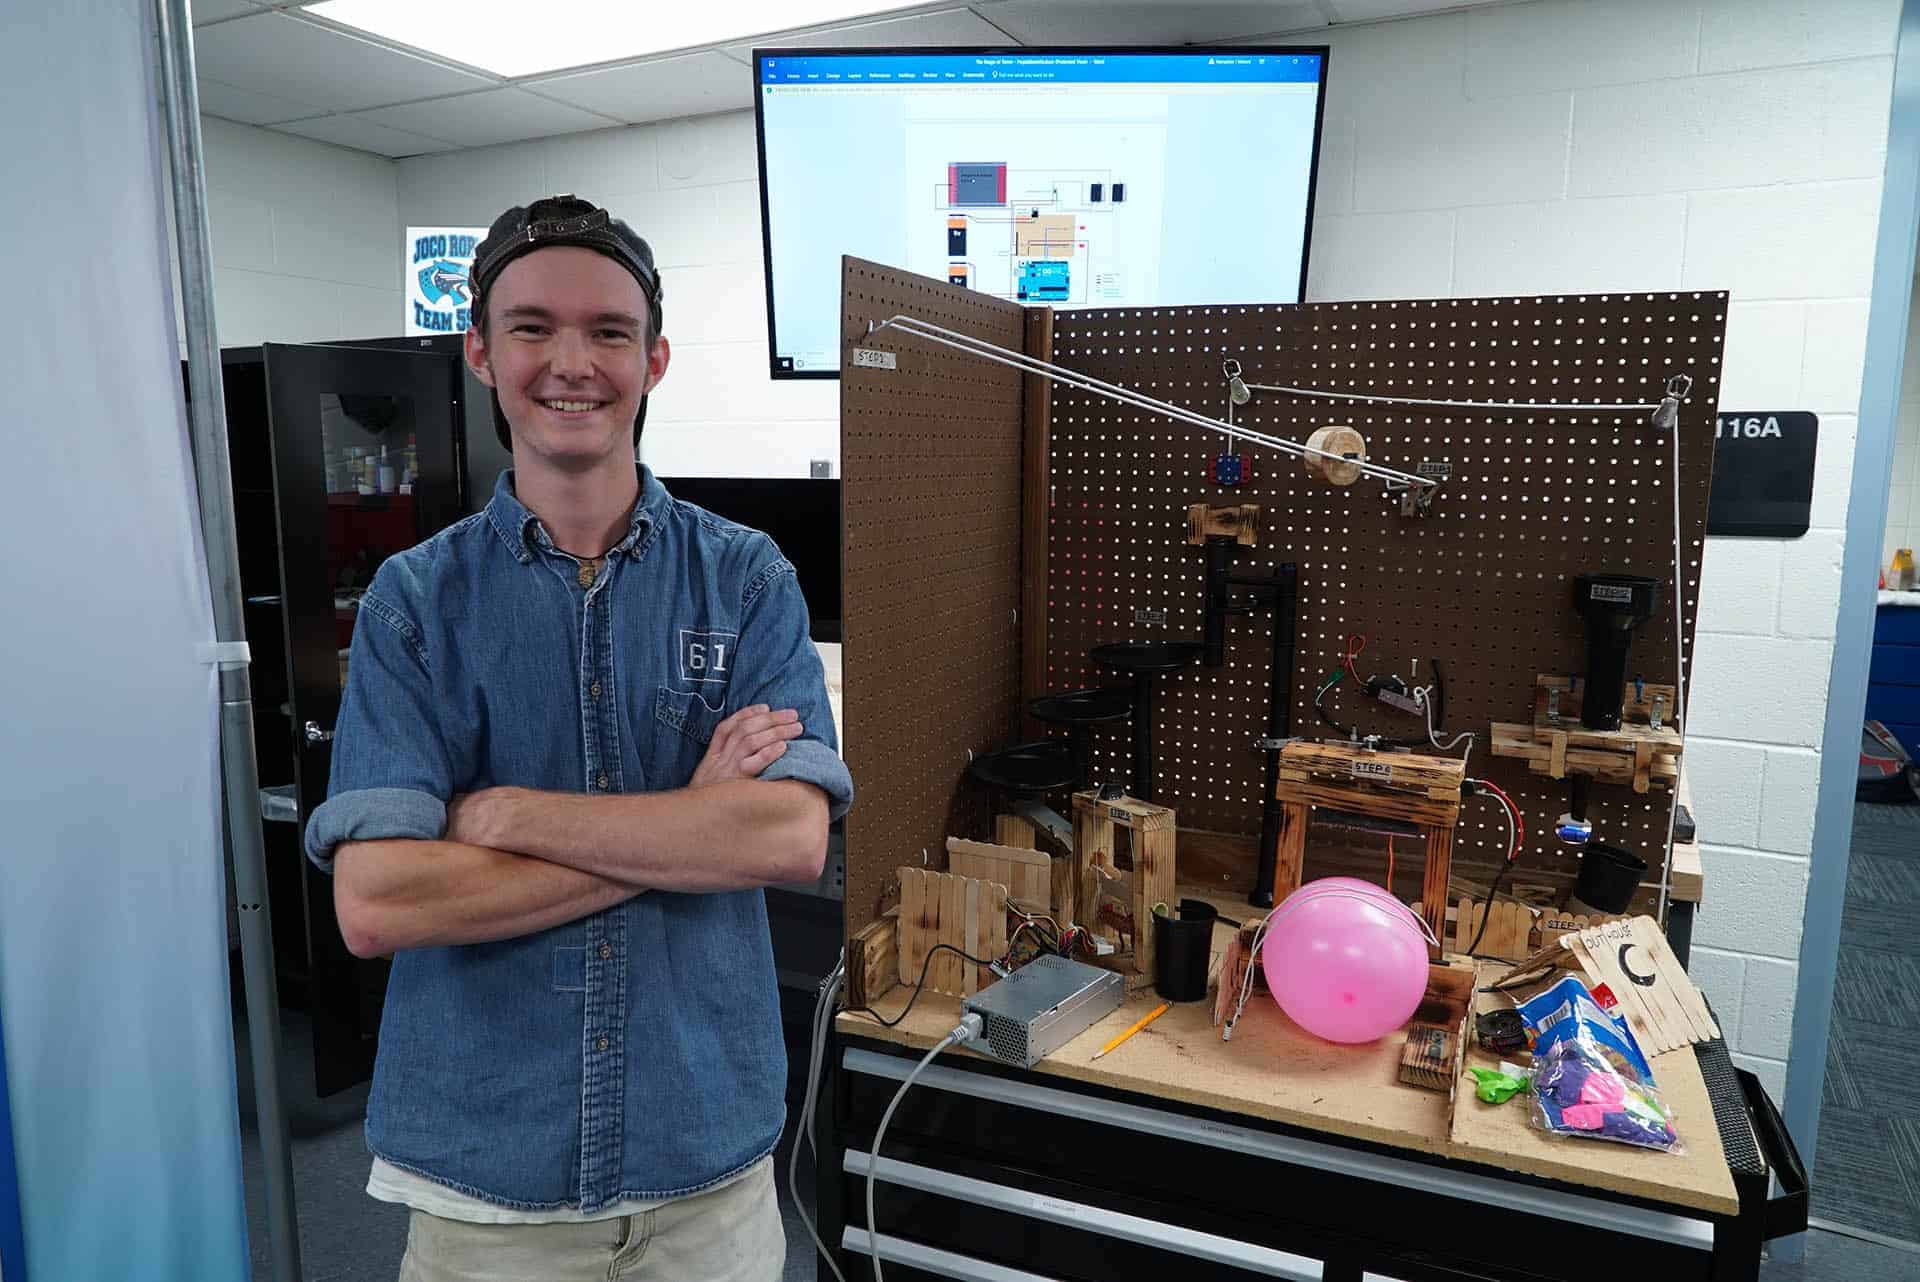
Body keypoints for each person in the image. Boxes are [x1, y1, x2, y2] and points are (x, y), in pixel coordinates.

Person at [303, 194, 852, 1282]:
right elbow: (377, 904)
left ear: (652, 360)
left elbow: (789, 840)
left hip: (707, 1176)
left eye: (608, 331)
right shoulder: (415, 603)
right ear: (479, 352)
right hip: (484, 1187)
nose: (572, 362)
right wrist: (691, 822)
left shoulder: (747, 577)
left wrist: (506, 816)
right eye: (532, 327)